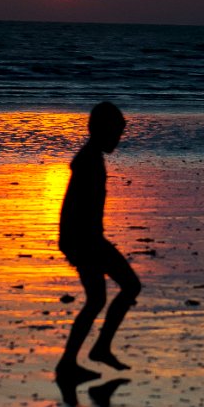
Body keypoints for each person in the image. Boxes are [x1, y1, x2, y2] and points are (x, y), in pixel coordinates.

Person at [55, 102, 141, 384]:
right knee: (128, 286)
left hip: (85, 239)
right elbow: (73, 207)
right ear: (102, 131)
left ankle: (71, 361)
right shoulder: (88, 161)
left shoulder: (91, 158)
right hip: (85, 240)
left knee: (97, 299)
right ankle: (95, 350)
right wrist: (71, 242)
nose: (119, 139)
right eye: (116, 133)